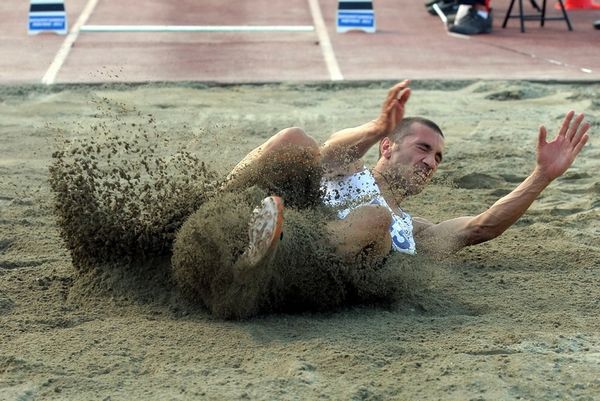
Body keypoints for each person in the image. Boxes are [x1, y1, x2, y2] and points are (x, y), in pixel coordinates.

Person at [171, 80, 590, 318]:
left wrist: (542, 175)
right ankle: (204, 216)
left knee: (377, 219)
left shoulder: (414, 229)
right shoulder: (347, 170)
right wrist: (373, 127)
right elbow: (333, 151)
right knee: (295, 139)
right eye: (424, 148)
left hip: (312, 275)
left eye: (439, 158)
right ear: (388, 147)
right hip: (288, 218)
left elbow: (483, 225)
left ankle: (263, 263)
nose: (431, 162)